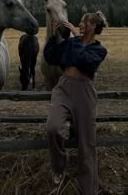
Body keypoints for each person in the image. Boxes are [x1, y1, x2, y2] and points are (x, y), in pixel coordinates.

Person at [44, 11, 108, 195]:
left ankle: (88, 189)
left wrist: (78, 39)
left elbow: (84, 62)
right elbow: (51, 57)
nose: (79, 24)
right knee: (52, 127)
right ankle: (59, 167)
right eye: (79, 22)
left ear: (93, 26)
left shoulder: (99, 50)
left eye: (83, 22)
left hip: (84, 92)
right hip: (64, 88)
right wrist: (53, 38)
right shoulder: (72, 43)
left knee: (87, 143)